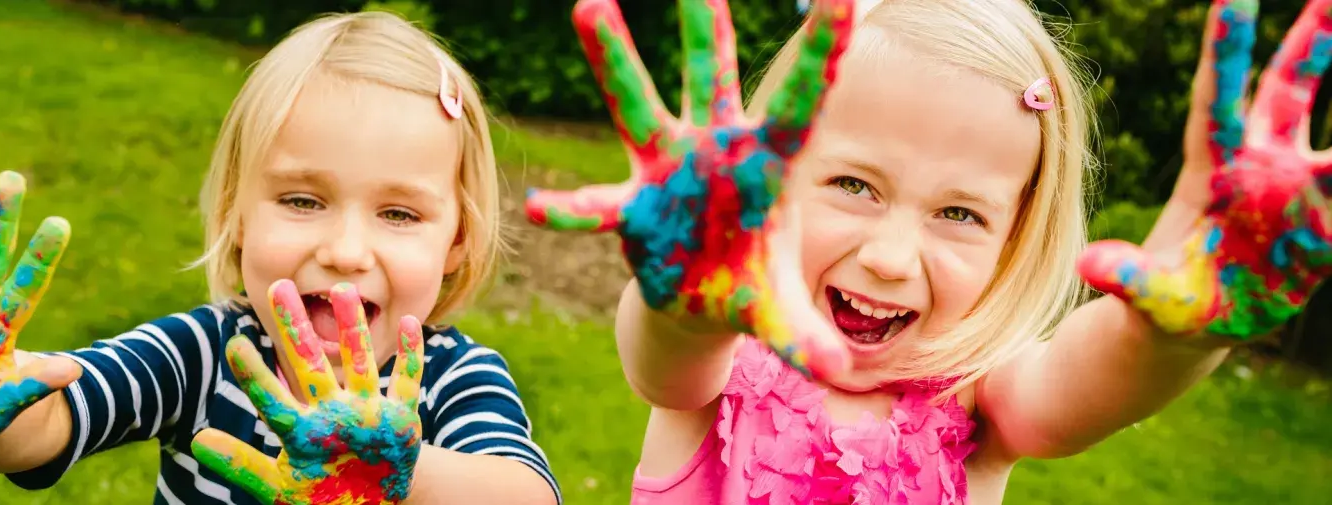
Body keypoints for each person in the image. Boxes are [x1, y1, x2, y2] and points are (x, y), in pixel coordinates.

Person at [525, 0, 1332, 503]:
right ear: (769, 182)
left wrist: (1177, 333)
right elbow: (663, 360)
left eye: (957, 212)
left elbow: (1089, 378)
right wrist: (686, 304)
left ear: (1014, 237)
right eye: (852, 184)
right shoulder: (716, 362)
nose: (889, 256)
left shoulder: (979, 405)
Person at [0, 11, 560, 505]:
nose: (346, 252)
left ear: (457, 242)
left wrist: (402, 468)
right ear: (235, 215)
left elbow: (528, 494)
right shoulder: (206, 354)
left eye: (398, 214)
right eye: (303, 200)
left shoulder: (452, 379)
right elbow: (51, 418)